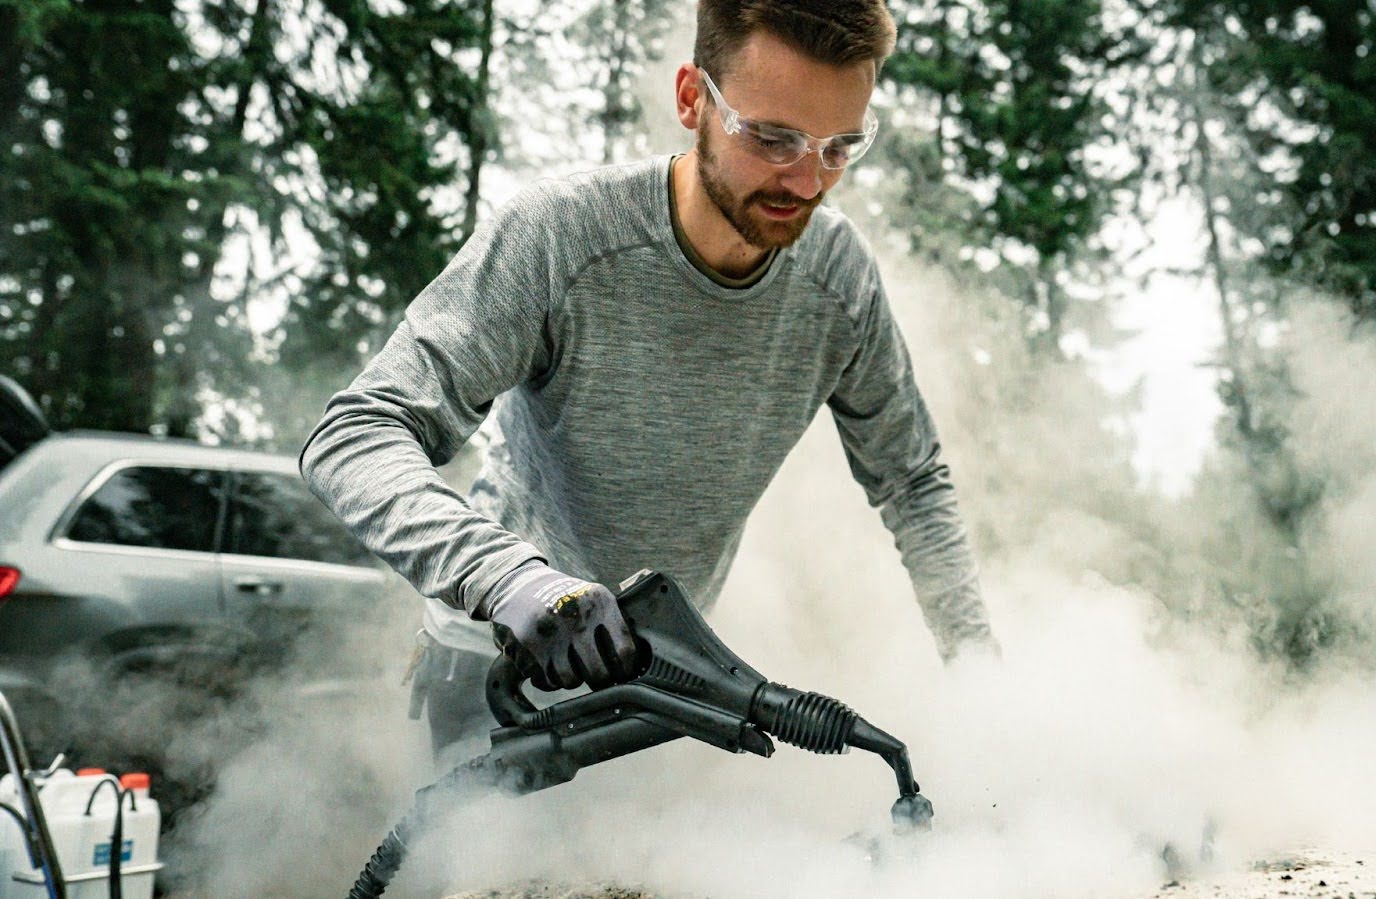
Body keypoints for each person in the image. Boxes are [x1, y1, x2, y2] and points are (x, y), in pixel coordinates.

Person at [300, 0, 997, 760]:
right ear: (693, 98)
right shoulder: (561, 236)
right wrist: (511, 579)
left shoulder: (837, 278)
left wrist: (981, 678)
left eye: (839, 148)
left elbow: (913, 482)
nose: (806, 181)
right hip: (501, 668)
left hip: (661, 675)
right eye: (772, 139)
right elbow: (354, 434)